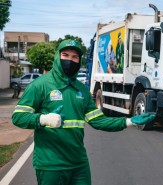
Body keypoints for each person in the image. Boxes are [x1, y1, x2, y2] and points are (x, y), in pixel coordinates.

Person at [12, 39, 155, 185]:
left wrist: (128, 121)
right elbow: (18, 117)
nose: (70, 60)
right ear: (57, 57)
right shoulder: (40, 85)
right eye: (65, 55)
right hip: (51, 164)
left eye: (75, 57)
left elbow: (99, 121)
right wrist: (43, 119)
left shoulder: (82, 90)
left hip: (78, 163)